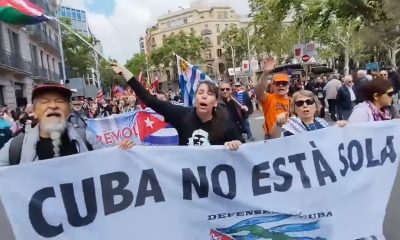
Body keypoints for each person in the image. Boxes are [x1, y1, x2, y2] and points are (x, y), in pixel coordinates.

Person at [111, 63, 242, 150]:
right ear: (195, 98)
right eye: (200, 92)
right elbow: (149, 99)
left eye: (209, 94)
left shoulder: (225, 122)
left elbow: (243, 150)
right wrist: (126, 74)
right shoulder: (182, 115)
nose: (204, 96)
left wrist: (235, 145)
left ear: (215, 102)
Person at [0, 82, 133, 166]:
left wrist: (121, 150)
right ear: (34, 111)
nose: (53, 106)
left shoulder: (86, 138)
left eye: (59, 101)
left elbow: (110, 162)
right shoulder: (15, 148)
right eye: (45, 102)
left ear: (69, 110)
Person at [255, 58, 290, 139]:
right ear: (272, 86)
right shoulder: (269, 98)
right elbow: (258, 90)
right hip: (272, 139)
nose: (281, 85)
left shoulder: (293, 101)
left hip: (289, 137)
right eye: (278, 83)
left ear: (288, 86)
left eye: (284, 83)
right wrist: (265, 73)